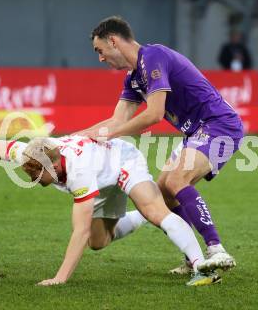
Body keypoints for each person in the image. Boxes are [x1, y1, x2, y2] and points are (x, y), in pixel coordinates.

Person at [0, 135, 223, 286]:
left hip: (121, 161)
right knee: (98, 242)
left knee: (154, 208)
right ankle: (140, 217)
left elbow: (78, 229)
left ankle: (202, 267)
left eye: (35, 175)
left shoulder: (78, 173)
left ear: (52, 165)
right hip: (102, 176)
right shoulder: (32, 153)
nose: (32, 179)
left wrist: (60, 278)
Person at [75, 16, 243, 274]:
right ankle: (192, 259)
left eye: (100, 50)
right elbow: (117, 120)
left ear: (113, 41)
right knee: (162, 191)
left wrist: (111, 134)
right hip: (196, 132)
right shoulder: (133, 78)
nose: (100, 58)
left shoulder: (153, 57)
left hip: (219, 125)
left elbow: (153, 115)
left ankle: (216, 249)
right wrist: (73, 139)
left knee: (176, 181)